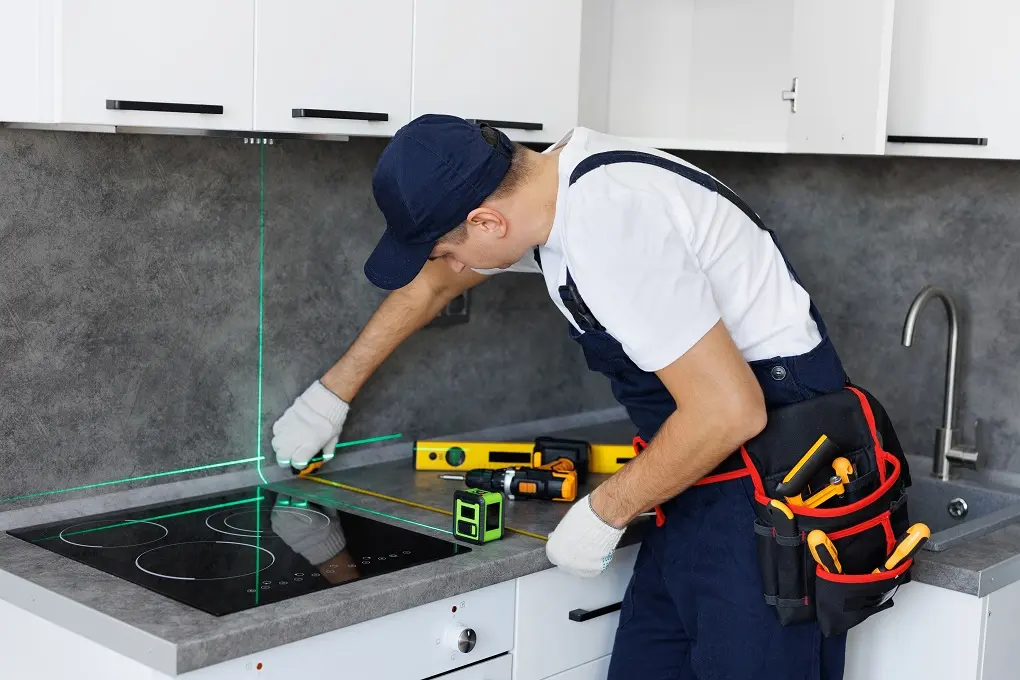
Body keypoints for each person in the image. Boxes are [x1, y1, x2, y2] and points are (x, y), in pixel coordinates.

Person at [270, 114, 858, 679]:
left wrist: (603, 513)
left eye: (448, 249)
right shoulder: (555, 188)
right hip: (699, 480)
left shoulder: (609, 226)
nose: (451, 266)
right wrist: (330, 395)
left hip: (773, 490)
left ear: (487, 222)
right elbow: (436, 285)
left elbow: (729, 411)